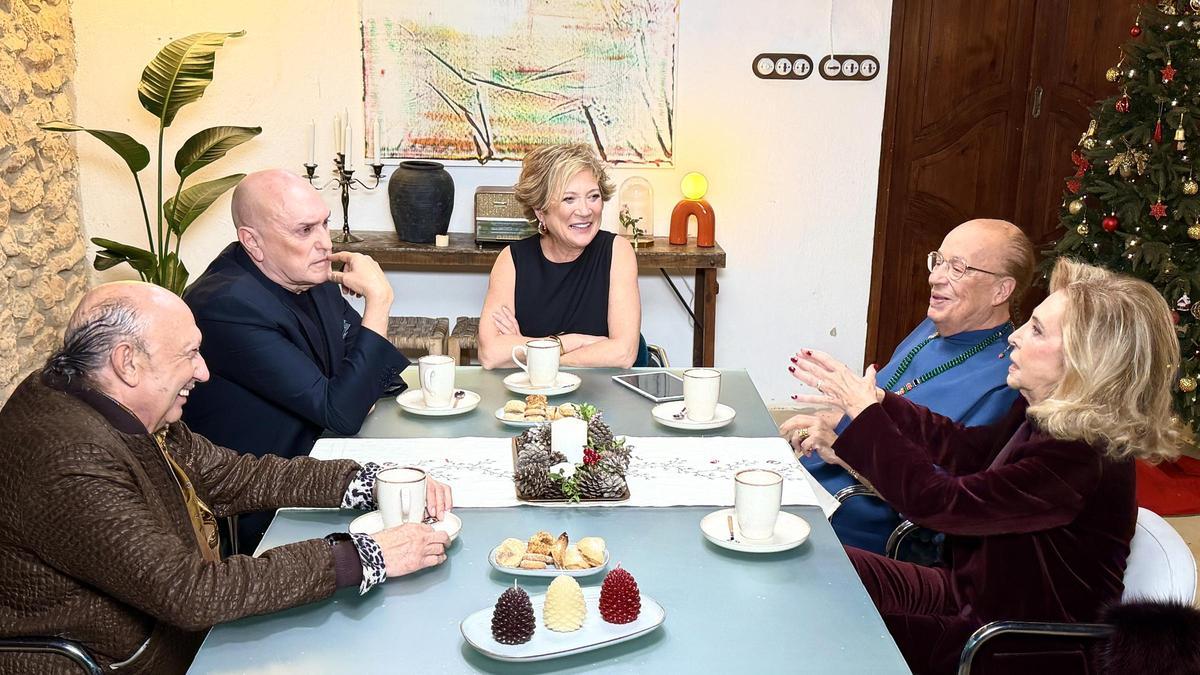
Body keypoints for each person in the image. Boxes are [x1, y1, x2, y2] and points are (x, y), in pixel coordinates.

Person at [0, 282, 453, 674]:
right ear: (128, 363)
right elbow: (191, 592)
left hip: (174, 641)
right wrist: (364, 556)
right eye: (190, 354)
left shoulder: (116, 404)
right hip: (137, 661)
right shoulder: (68, 458)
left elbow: (235, 476)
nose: (203, 371)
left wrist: (369, 481)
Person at [789, 258, 1188, 675]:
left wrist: (866, 414)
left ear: (1087, 361)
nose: (1013, 336)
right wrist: (882, 402)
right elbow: (965, 448)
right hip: (966, 596)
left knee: (823, 623)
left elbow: (939, 503)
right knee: (809, 564)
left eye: (1035, 329)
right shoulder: (1045, 413)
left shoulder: (1082, 456)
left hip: (1010, 645)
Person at [182, 169, 410, 551]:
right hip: (262, 510)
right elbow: (344, 411)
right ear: (252, 242)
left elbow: (382, 379)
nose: (324, 243)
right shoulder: (226, 304)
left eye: (325, 224)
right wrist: (380, 301)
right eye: (305, 231)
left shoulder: (306, 275)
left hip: (321, 466)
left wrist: (349, 390)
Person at [781, 218, 1036, 555]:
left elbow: (940, 500)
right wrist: (835, 417)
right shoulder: (930, 329)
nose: (935, 277)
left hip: (862, 522)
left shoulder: (1007, 380)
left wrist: (844, 450)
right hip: (815, 485)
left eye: (958, 267)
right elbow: (883, 409)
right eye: (939, 261)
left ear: (1001, 290)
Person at [477, 143, 642, 369]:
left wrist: (533, 353)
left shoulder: (617, 252)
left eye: (593, 196)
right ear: (540, 211)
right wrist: (571, 342)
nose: (585, 211)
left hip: (600, 396)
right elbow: (491, 354)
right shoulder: (512, 260)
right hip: (534, 398)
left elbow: (623, 354)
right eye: (569, 199)